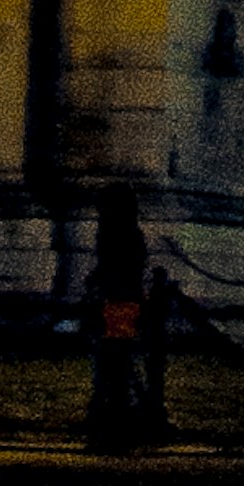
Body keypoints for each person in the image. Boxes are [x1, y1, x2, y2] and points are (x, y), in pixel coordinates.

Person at [83, 186, 158, 451]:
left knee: (112, 360)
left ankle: (113, 414)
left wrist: (96, 283)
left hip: (116, 303)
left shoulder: (111, 233)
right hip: (125, 302)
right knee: (118, 359)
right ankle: (120, 412)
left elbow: (111, 267)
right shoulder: (131, 233)